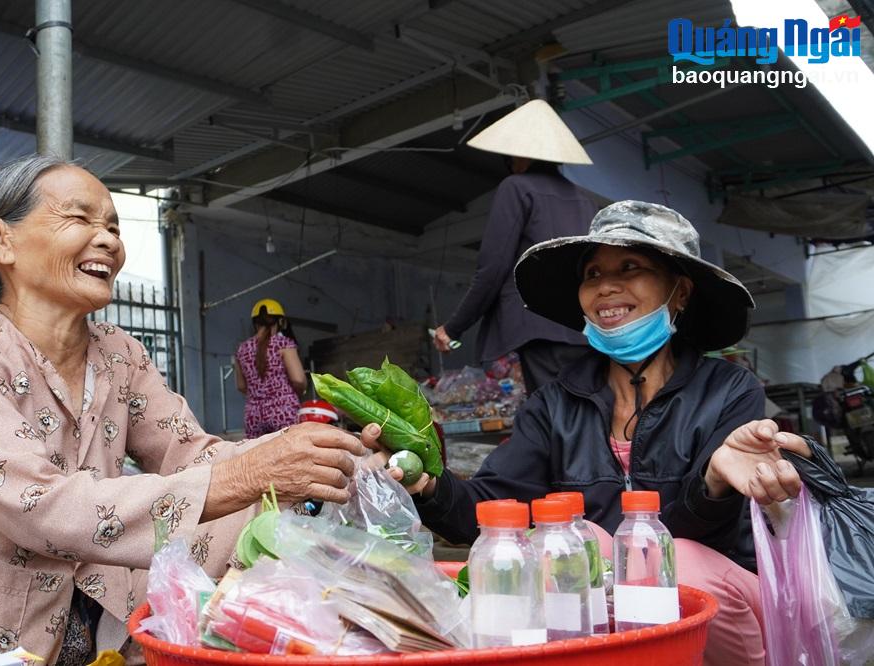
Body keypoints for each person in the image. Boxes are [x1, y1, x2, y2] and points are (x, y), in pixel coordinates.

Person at [0, 156, 374, 663]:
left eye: (113, 227)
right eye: (80, 218)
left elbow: (191, 455)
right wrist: (252, 473)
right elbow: (33, 504)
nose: (109, 241)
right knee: (237, 491)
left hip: (98, 622)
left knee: (266, 506)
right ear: (2, 241)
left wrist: (329, 453)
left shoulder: (120, 352)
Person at [388, 200, 817, 665]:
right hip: (616, 617)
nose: (606, 287)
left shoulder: (729, 389)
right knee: (578, 539)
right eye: (592, 274)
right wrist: (427, 485)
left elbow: (702, 538)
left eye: (630, 267)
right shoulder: (554, 403)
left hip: (723, 600)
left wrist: (713, 482)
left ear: (680, 292)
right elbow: (490, 510)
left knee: (675, 560)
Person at [433, 100, 597, 393]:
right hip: (584, 328)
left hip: (538, 326)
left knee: (553, 412)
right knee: (585, 410)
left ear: (520, 155)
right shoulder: (584, 199)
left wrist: (453, 328)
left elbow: (493, 269)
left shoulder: (517, 187)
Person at [234, 299, 306, 438]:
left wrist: (259, 395)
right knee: (289, 449)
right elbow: (298, 379)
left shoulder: (242, 349)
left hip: (254, 414)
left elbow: (241, 386)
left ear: (255, 323)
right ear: (280, 321)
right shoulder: (284, 344)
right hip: (284, 410)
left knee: (258, 451)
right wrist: (294, 392)